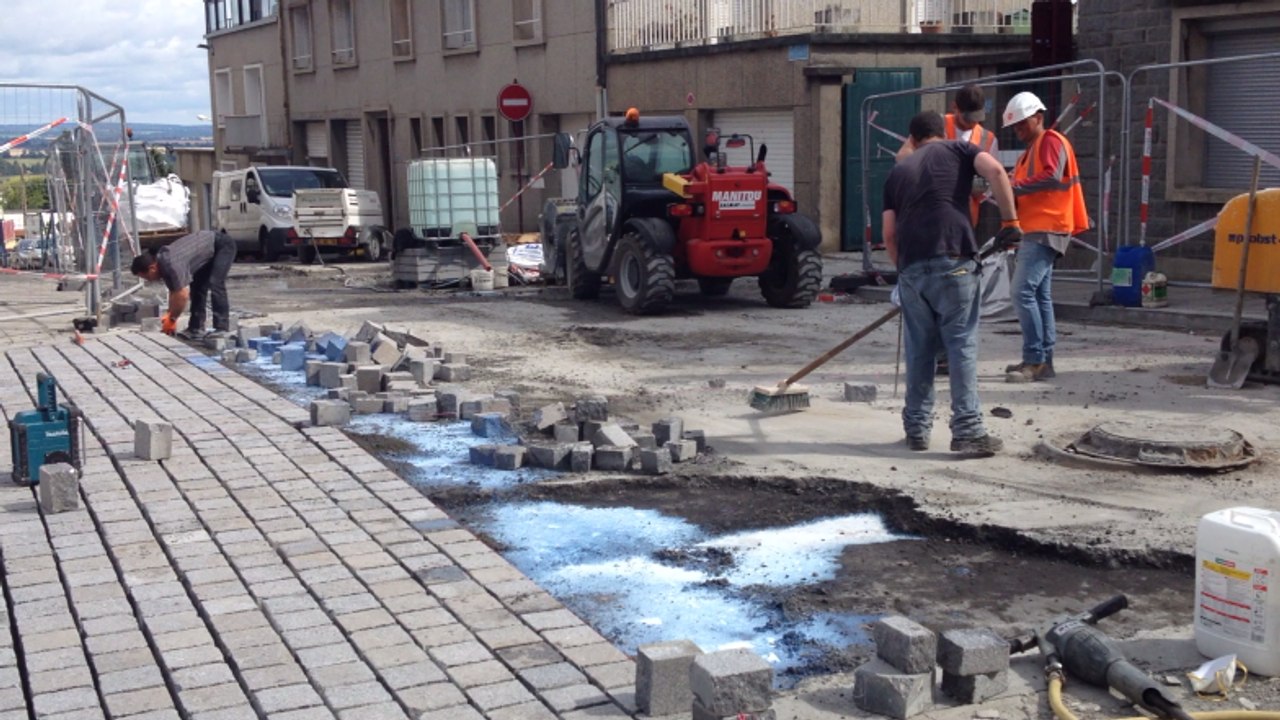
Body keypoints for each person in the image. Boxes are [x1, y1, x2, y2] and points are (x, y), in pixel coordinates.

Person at [882, 111, 1022, 457]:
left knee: (920, 349)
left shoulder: (898, 173)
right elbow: (996, 173)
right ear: (942, 132)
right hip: (955, 259)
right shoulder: (960, 150)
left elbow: (888, 234)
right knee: (960, 345)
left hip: (912, 266)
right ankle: (969, 431)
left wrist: (906, 274)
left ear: (912, 139)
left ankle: (916, 429)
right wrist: (1010, 221)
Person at [896, 84, 1000, 375]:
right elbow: (903, 157)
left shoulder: (987, 137)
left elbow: (992, 176)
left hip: (965, 222)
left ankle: (950, 357)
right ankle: (942, 356)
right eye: (968, 118)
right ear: (955, 109)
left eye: (978, 118)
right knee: (942, 295)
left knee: (956, 298)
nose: (974, 124)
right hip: (933, 221)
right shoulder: (936, 128)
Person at [1000, 91, 1089, 384]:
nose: (1019, 130)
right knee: (1039, 295)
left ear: (1038, 118)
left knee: (1021, 292)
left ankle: (1036, 359)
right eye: (1015, 127)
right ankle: (1042, 360)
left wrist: (1015, 186)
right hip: (1041, 228)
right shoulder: (1034, 148)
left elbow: (1052, 176)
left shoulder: (1049, 141)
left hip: (1046, 229)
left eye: (1023, 124)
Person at [130, 229, 236, 338]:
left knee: (216, 283)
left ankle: (222, 327)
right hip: (207, 250)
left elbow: (182, 295)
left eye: (146, 277)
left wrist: (172, 319)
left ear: (152, 268)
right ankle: (196, 328)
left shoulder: (170, 264)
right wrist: (169, 315)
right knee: (197, 286)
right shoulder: (162, 264)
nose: (149, 280)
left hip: (222, 245)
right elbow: (173, 293)